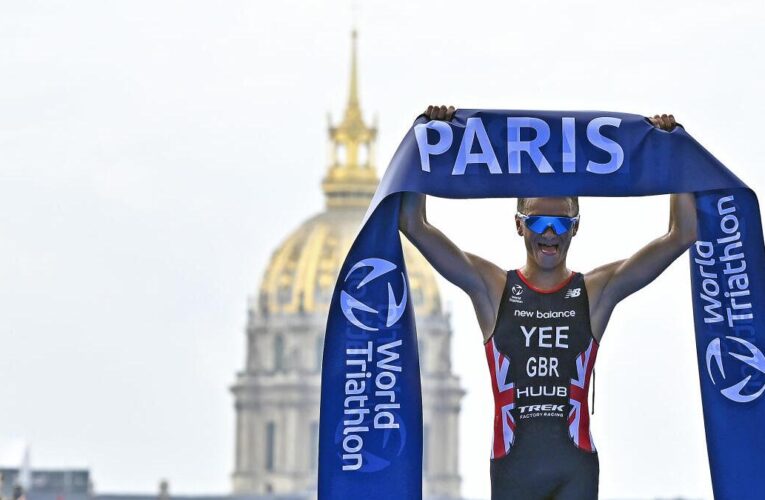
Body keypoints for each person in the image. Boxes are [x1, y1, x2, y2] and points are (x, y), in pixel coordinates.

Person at [398, 105, 698, 500]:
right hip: (513, 472)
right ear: (519, 224)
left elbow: (681, 235)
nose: (550, 234)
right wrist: (427, 140)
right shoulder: (491, 288)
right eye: (539, 222)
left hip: (574, 469)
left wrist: (674, 150)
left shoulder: (595, 291)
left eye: (562, 223)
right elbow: (413, 224)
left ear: (576, 228)